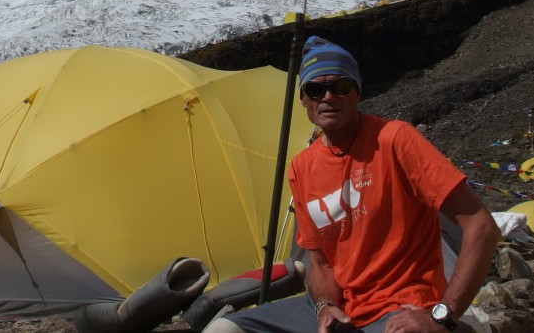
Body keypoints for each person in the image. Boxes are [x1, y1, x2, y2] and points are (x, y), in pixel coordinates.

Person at [211, 36, 500, 333]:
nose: (328, 97)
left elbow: (482, 226)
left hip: (400, 309)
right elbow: (320, 263)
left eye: (340, 87)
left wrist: (442, 316)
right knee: (223, 329)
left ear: (357, 92)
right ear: (304, 100)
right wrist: (324, 305)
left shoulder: (395, 139)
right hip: (342, 310)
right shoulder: (302, 167)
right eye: (315, 89)